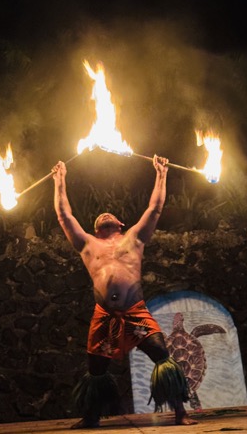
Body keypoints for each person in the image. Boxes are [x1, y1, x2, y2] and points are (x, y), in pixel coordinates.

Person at [52, 155, 197, 429]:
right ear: (95, 228)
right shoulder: (87, 244)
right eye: (100, 216)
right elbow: (64, 215)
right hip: (104, 316)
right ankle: (91, 417)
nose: (105, 214)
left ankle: (180, 412)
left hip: (135, 312)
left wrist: (161, 173)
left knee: (161, 355)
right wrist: (60, 179)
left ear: (121, 224)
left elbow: (155, 209)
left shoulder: (134, 238)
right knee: (96, 370)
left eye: (110, 215)